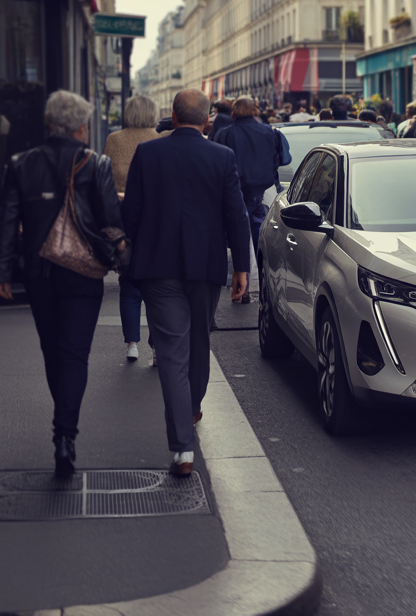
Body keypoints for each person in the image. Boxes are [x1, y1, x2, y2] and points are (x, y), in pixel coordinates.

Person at [122, 89, 251, 477]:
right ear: (206, 120)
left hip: (158, 268)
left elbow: (132, 213)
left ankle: (182, 450)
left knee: (172, 355)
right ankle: (192, 407)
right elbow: (236, 215)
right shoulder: (221, 156)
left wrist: (134, 252)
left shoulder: (148, 153)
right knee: (199, 343)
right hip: (206, 268)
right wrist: (241, 268)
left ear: (173, 117)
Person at [0, 91, 125, 478]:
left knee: (52, 351)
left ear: (49, 124)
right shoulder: (96, 163)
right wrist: (125, 261)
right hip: (83, 272)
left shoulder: (21, 164)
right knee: (74, 355)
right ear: (80, 126)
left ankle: (63, 422)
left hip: (38, 273)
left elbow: (7, 222)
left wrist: (4, 272)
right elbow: (110, 221)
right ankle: (64, 436)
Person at [104, 94, 161, 363]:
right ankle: (156, 346)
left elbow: (104, 181)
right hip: (154, 220)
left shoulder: (114, 140)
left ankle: (131, 344)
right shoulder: (160, 140)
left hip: (122, 219)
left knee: (128, 283)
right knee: (155, 286)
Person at [213, 96, 286, 296]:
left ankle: (238, 280)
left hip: (234, 189)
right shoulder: (270, 133)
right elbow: (281, 159)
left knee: (234, 231)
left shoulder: (225, 133)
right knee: (256, 230)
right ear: (255, 111)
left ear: (234, 113)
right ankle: (259, 281)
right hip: (259, 191)